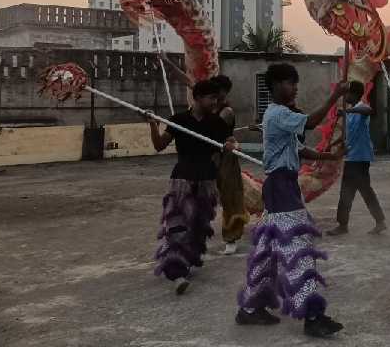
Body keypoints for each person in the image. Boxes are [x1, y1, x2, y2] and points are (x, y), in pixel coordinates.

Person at [235, 63, 348, 338]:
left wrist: (329, 157)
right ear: (273, 86)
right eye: (287, 82)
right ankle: (312, 315)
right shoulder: (276, 114)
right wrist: (335, 96)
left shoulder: (280, 115)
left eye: (295, 82)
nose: (294, 87)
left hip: (282, 186)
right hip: (281, 188)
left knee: (266, 251)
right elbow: (310, 123)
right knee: (298, 249)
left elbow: (300, 149)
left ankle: (249, 308)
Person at [147, 78, 238, 295]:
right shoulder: (179, 120)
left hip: (206, 180)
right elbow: (159, 145)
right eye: (211, 98)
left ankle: (186, 262)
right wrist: (152, 124)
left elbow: (229, 144)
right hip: (182, 180)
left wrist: (231, 145)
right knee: (177, 225)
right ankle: (175, 272)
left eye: (217, 98)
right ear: (197, 98)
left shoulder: (216, 123)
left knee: (198, 226)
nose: (215, 102)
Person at [327, 81, 387, 236]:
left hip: (360, 158)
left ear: (353, 94)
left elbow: (368, 110)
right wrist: (331, 145)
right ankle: (346, 224)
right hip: (352, 157)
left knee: (359, 191)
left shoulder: (360, 108)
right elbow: (346, 135)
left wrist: (348, 112)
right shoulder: (351, 112)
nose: (344, 97)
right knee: (349, 192)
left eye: (346, 93)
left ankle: (376, 222)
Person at [211, 74, 249, 256]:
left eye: (216, 91)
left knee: (230, 196)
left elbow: (213, 129)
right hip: (210, 156)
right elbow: (190, 83)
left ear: (224, 91)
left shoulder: (226, 111)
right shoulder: (211, 106)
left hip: (226, 156)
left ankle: (231, 238)